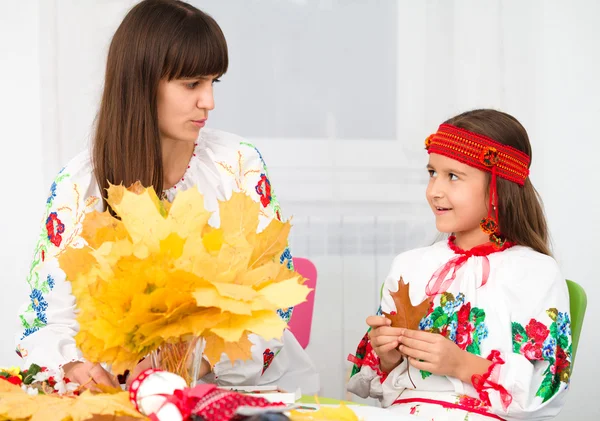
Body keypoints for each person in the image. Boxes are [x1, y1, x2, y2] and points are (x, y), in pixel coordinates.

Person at [15, 0, 318, 394]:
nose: (208, 102)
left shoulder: (239, 165)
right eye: (192, 84)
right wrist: (76, 367)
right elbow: (46, 320)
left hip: (241, 390)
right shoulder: (78, 186)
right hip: (125, 396)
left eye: (213, 82)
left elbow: (275, 300)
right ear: (140, 84)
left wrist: (192, 361)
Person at [347, 109, 571, 420]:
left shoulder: (535, 273)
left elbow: (546, 388)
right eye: (432, 173)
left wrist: (461, 364)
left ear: (497, 187)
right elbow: (379, 386)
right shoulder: (409, 266)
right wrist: (387, 357)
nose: (434, 190)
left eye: (453, 176)